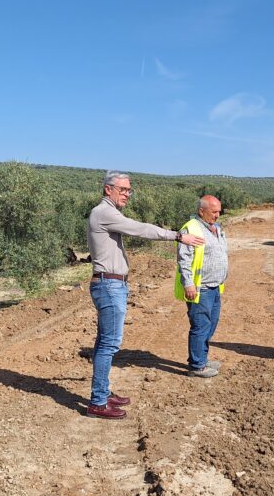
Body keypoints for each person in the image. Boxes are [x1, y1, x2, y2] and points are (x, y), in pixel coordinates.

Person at [86, 171, 204, 419]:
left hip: (111, 285)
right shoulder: (104, 212)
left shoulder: (108, 213)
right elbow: (140, 229)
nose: (127, 194)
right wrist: (178, 236)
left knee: (104, 342)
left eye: (130, 190)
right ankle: (97, 402)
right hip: (109, 286)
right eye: (123, 189)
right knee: (109, 343)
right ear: (108, 189)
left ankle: (103, 393)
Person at [174, 195, 229, 378]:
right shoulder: (191, 229)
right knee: (200, 326)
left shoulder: (217, 228)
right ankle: (197, 366)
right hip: (200, 288)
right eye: (214, 212)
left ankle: (201, 358)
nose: (217, 215)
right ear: (201, 211)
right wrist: (189, 284)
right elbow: (184, 259)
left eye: (219, 212)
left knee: (210, 325)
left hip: (215, 287)